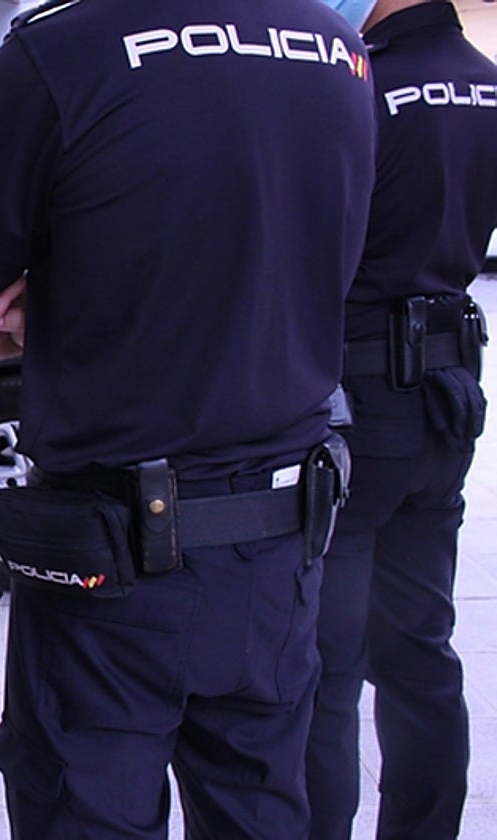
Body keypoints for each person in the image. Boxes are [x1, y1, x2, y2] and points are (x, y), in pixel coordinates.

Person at [0, 0, 376, 837]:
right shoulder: (339, 51)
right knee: (260, 812)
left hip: (111, 570)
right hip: (278, 549)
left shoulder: (59, 51)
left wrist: (60, 304)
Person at [305, 2, 497, 837]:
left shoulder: (357, 81)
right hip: (447, 392)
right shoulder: (490, 87)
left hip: (356, 394)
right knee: (420, 647)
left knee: (328, 663)